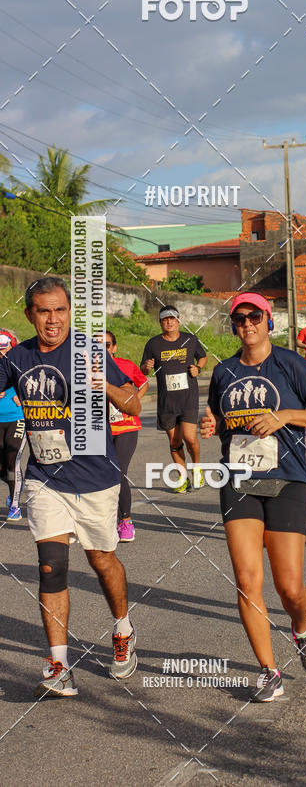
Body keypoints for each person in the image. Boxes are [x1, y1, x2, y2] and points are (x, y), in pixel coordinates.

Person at [0, 277, 141, 697]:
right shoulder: (18, 357)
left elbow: (132, 402)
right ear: (30, 315)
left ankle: (123, 629)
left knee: (102, 562)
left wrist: (107, 386)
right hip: (45, 478)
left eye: (60, 310)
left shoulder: (89, 350)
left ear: (69, 312)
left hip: (96, 479)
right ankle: (59, 662)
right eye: (44, 311)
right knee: (52, 566)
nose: (53, 319)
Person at [200, 292, 306, 702]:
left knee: (289, 587)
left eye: (253, 316)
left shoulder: (291, 364)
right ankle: (268, 670)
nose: (247, 324)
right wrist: (212, 424)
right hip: (239, 480)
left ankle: (301, 629)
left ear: (268, 321)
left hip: (287, 479)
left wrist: (286, 416)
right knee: (246, 580)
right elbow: (221, 419)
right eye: (239, 319)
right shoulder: (223, 371)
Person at [141, 306, 207, 493]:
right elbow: (143, 369)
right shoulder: (153, 344)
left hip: (188, 398)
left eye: (172, 319)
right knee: (175, 442)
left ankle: (196, 467)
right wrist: (147, 366)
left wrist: (198, 369)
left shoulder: (190, 339)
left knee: (190, 437)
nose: (169, 322)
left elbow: (202, 357)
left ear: (178, 320)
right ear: (160, 322)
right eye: (164, 319)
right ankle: (182, 477)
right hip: (167, 401)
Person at [100, 331, 148, 542]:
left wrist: (131, 401)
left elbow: (143, 382)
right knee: (99, 473)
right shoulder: (88, 368)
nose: (103, 349)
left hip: (126, 427)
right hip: (101, 428)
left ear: (114, 347)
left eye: (107, 345)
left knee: (118, 472)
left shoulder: (126, 365)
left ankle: (125, 521)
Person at [0, 330, 26, 522]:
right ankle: (16, 484)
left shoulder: (19, 362)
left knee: (12, 459)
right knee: (3, 467)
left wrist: (22, 394)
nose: (1, 352)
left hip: (17, 418)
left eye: (5, 347)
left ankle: (15, 505)